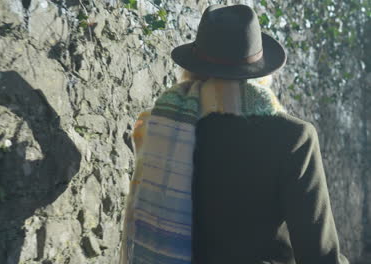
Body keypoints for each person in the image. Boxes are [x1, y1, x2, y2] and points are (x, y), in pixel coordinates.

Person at [119, 4, 350, 264]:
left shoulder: (158, 128)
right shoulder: (294, 138)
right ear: (261, 70)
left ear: (195, 64)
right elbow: (318, 254)